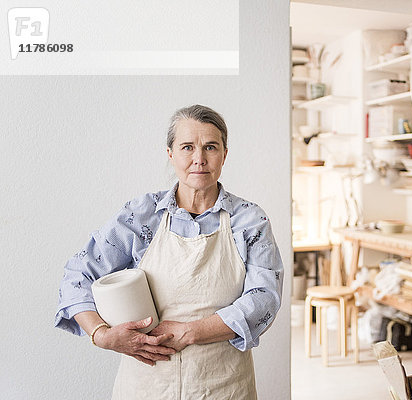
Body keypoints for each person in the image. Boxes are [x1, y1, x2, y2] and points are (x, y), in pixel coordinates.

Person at [55, 104, 283, 399]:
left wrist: (192, 331)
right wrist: (102, 335)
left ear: (224, 155)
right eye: (187, 147)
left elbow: (264, 298)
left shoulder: (250, 221)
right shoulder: (141, 216)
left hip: (224, 387)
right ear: (171, 154)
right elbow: (78, 274)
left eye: (210, 147)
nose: (198, 159)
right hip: (147, 387)